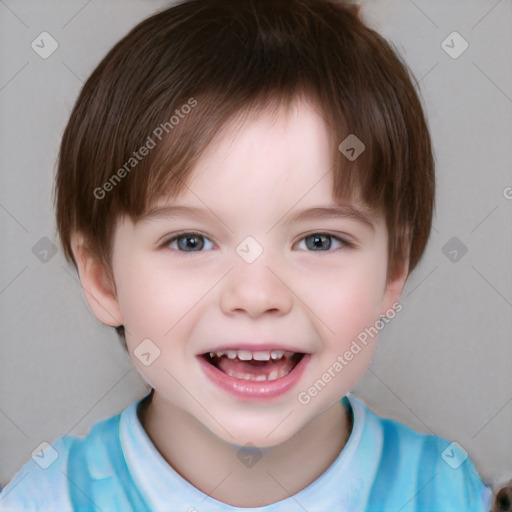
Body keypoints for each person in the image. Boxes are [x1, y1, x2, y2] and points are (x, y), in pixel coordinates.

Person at [0, 0, 493, 510]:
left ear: (392, 271)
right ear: (103, 278)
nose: (256, 296)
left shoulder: (449, 495)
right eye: (190, 242)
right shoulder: (48, 500)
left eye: (319, 241)